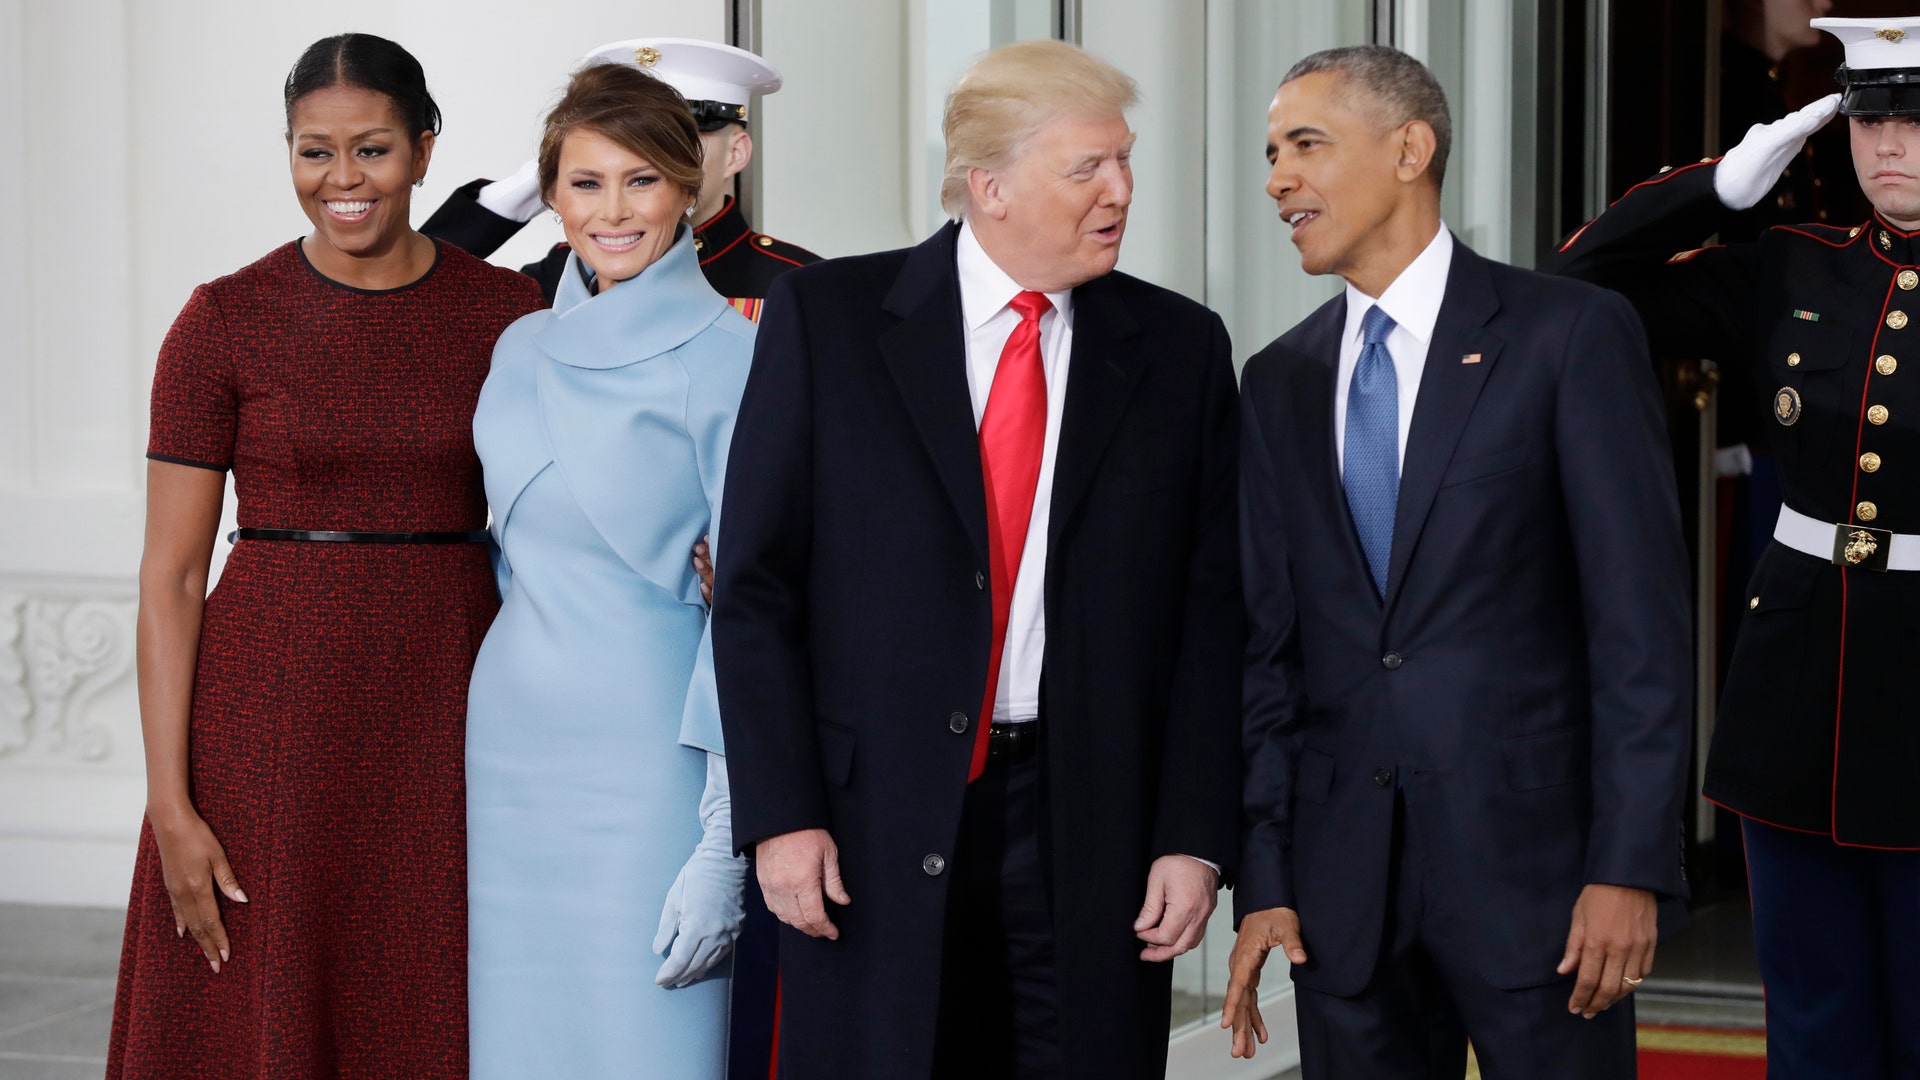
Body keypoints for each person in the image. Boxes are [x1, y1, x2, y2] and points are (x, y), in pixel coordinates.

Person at [712, 39, 1242, 1080]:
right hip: (871, 821)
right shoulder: (832, 321)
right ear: (989, 187)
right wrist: (783, 818)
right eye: (1089, 167)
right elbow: (757, 591)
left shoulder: (1180, 348)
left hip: (1093, 819)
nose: (1122, 192)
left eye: (1125, 163)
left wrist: (1195, 835)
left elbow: (1212, 616)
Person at [1223, 45, 1693, 1079]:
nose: (1275, 180)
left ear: (1409, 148)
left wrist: (1630, 867)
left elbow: (1640, 634)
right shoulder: (1277, 381)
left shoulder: (1568, 334)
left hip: (1545, 891)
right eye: (1270, 153)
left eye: (1305, 144)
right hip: (1344, 902)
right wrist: (1266, 876)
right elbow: (1269, 656)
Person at [106, 34, 545, 1079]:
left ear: (427, 150)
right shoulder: (222, 320)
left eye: (373, 149)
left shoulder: (511, 314)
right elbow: (169, 574)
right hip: (270, 716)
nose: (341, 180)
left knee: (433, 968)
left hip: (452, 693)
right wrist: (171, 801)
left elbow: (564, 508)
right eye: (315, 152)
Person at [1541, 15, 1920, 1075]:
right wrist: (1718, 189)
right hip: (1797, 700)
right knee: (1812, 1018)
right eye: (1871, 116)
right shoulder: (1793, 266)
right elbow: (1571, 289)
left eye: (1915, 120)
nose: (1889, 143)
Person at [464, 61, 752, 1080]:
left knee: (650, 1046)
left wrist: (724, 843)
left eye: (642, 180)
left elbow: (749, 615)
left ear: (689, 190)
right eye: (586, 183)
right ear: (552, 196)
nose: (614, 210)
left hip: (652, 761)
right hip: (507, 752)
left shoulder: (739, 357)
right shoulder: (514, 345)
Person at [422, 37, 818, 309]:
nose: (614, 209)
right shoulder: (566, 269)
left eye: (675, 143)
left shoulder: (799, 285)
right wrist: (528, 190)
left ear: (736, 153)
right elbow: (412, 290)